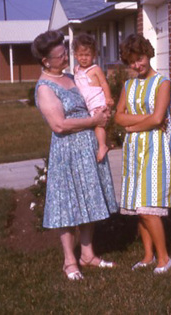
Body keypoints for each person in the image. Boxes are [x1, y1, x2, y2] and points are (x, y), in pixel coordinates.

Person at [31, 30, 119, 281]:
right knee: (67, 206)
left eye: (64, 52)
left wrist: (102, 109)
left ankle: (88, 255)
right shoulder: (45, 87)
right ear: (45, 61)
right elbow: (58, 125)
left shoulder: (71, 77)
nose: (65, 58)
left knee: (90, 200)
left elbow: (94, 96)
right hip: (67, 151)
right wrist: (94, 120)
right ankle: (70, 261)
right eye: (59, 55)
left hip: (88, 147)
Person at [114, 34, 171, 274]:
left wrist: (133, 125)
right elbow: (118, 116)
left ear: (148, 54)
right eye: (131, 62)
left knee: (149, 208)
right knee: (139, 208)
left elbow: (160, 118)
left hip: (155, 150)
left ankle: (164, 259)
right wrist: (143, 121)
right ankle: (148, 256)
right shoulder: (128, 86)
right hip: (133, 151)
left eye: (139, 59)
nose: (137, 65)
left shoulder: (163, 83)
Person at [72, 33, 114, 162]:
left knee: (99, 124)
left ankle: (102, 146)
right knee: (93, 126)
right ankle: (107, 141)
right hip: (87, 103)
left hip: (97, 100)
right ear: (75, 55)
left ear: (94, 55)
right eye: (81, 55)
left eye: (87, 55)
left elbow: (104, 83)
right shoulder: (76, 69)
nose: (84, 58)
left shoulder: (95, 69)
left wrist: (108, 98)